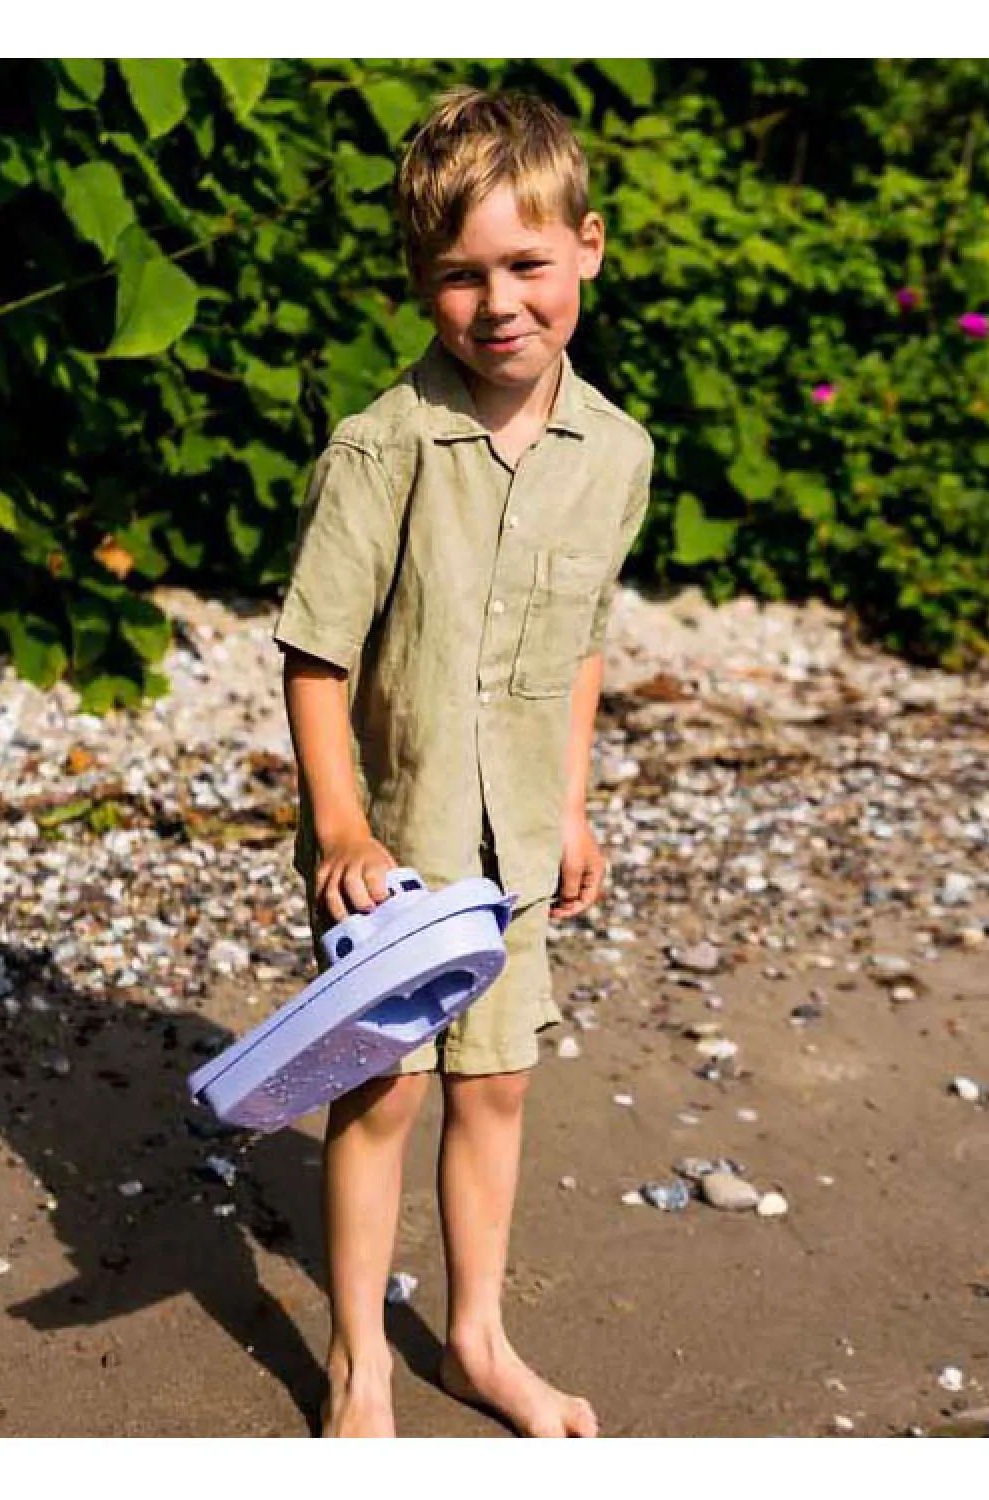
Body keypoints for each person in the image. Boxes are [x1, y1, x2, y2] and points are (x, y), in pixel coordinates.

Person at [273, 85, 653, 1438]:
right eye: (459, 275)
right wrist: (339, 828)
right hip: (397, 845)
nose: (499, 304)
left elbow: (583, 643)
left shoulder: (617, 454)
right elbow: (316, 655)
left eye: (527, 265)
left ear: (587, 248)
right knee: (380, 1090)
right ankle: (359, 1363)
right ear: (419, 281)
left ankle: (477, 1339)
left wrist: (572, 807)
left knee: (495, 1085)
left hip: (521, 848)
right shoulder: (379, 451)